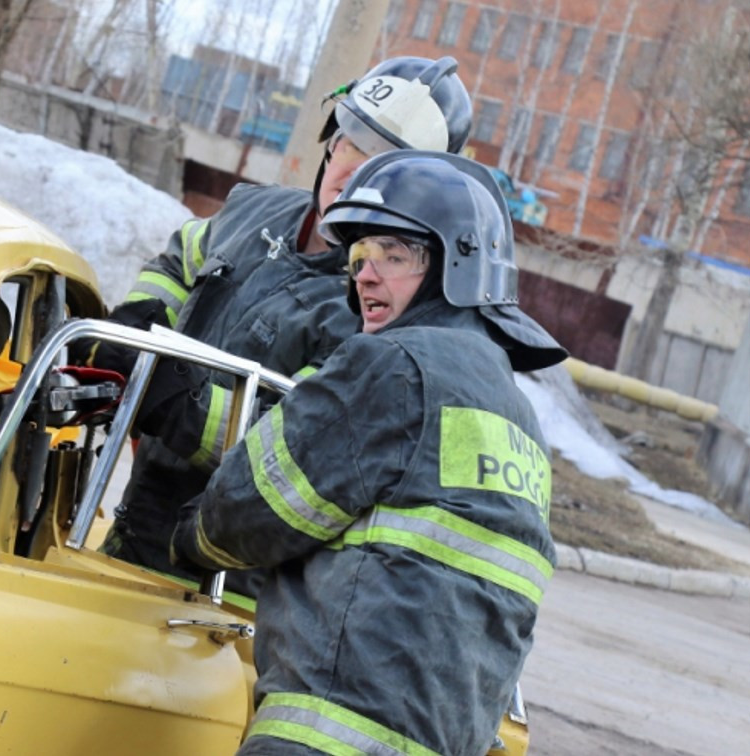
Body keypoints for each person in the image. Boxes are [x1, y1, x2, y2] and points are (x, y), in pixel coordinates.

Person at [169, 150, 567, 755]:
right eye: (358, 257)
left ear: (453, 268)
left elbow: (250, 509)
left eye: (394, 255)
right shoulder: (518, 417)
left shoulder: (394, 366)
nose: (366, 275)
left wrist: (190, 540)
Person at [81, 56, 474, 590]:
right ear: (331, 141)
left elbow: (300, 443)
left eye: (383, 165)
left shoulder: (381, 302)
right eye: (352, 143)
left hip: (231, 585)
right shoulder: (254, 209)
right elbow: (182, 258)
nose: (353, 171)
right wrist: (142, 316)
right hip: (133, 528)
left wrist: (177, 401)